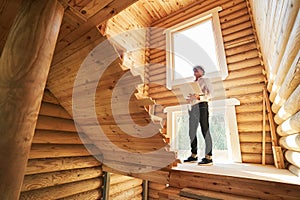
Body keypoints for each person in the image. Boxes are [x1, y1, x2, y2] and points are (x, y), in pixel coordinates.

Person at [184, 65, 213, 166]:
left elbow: (210, 94)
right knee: (191, 132)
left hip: (202, 106)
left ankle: (209, 157)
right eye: (194, 70)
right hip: (193, 107)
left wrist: (198, 96)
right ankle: (193, 155)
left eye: (197, 70)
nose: (195, 71)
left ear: (202, 72)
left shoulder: (205, 80)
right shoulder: (193, 84)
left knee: (205, 129)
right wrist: (189, 99)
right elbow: (193, 97)